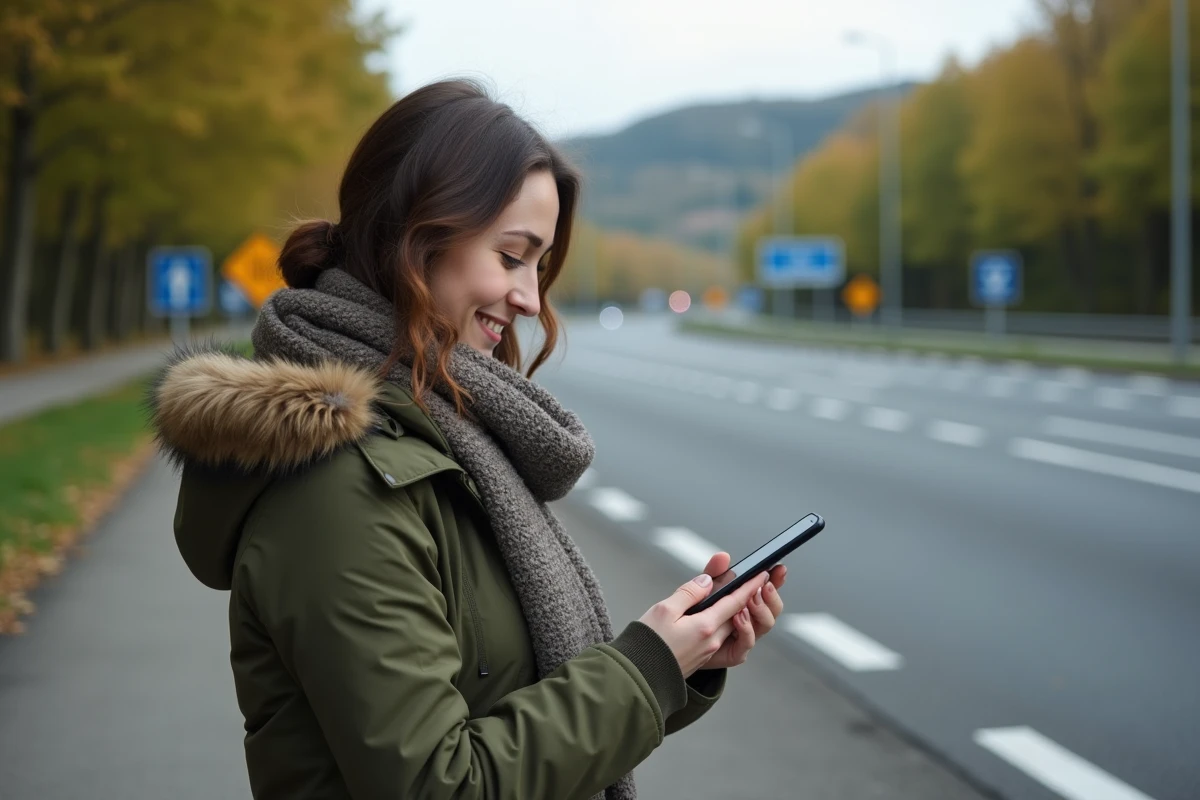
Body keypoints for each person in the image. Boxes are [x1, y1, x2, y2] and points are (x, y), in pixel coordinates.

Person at [148, 78, 788, 800]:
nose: (530, 300)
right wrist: (645, 668)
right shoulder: (338, 486)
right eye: (512, 256)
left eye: (540, 266)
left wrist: (679, 664)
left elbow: (506, 708)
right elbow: (441, 784)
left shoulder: (442, 436)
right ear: (415, 238)